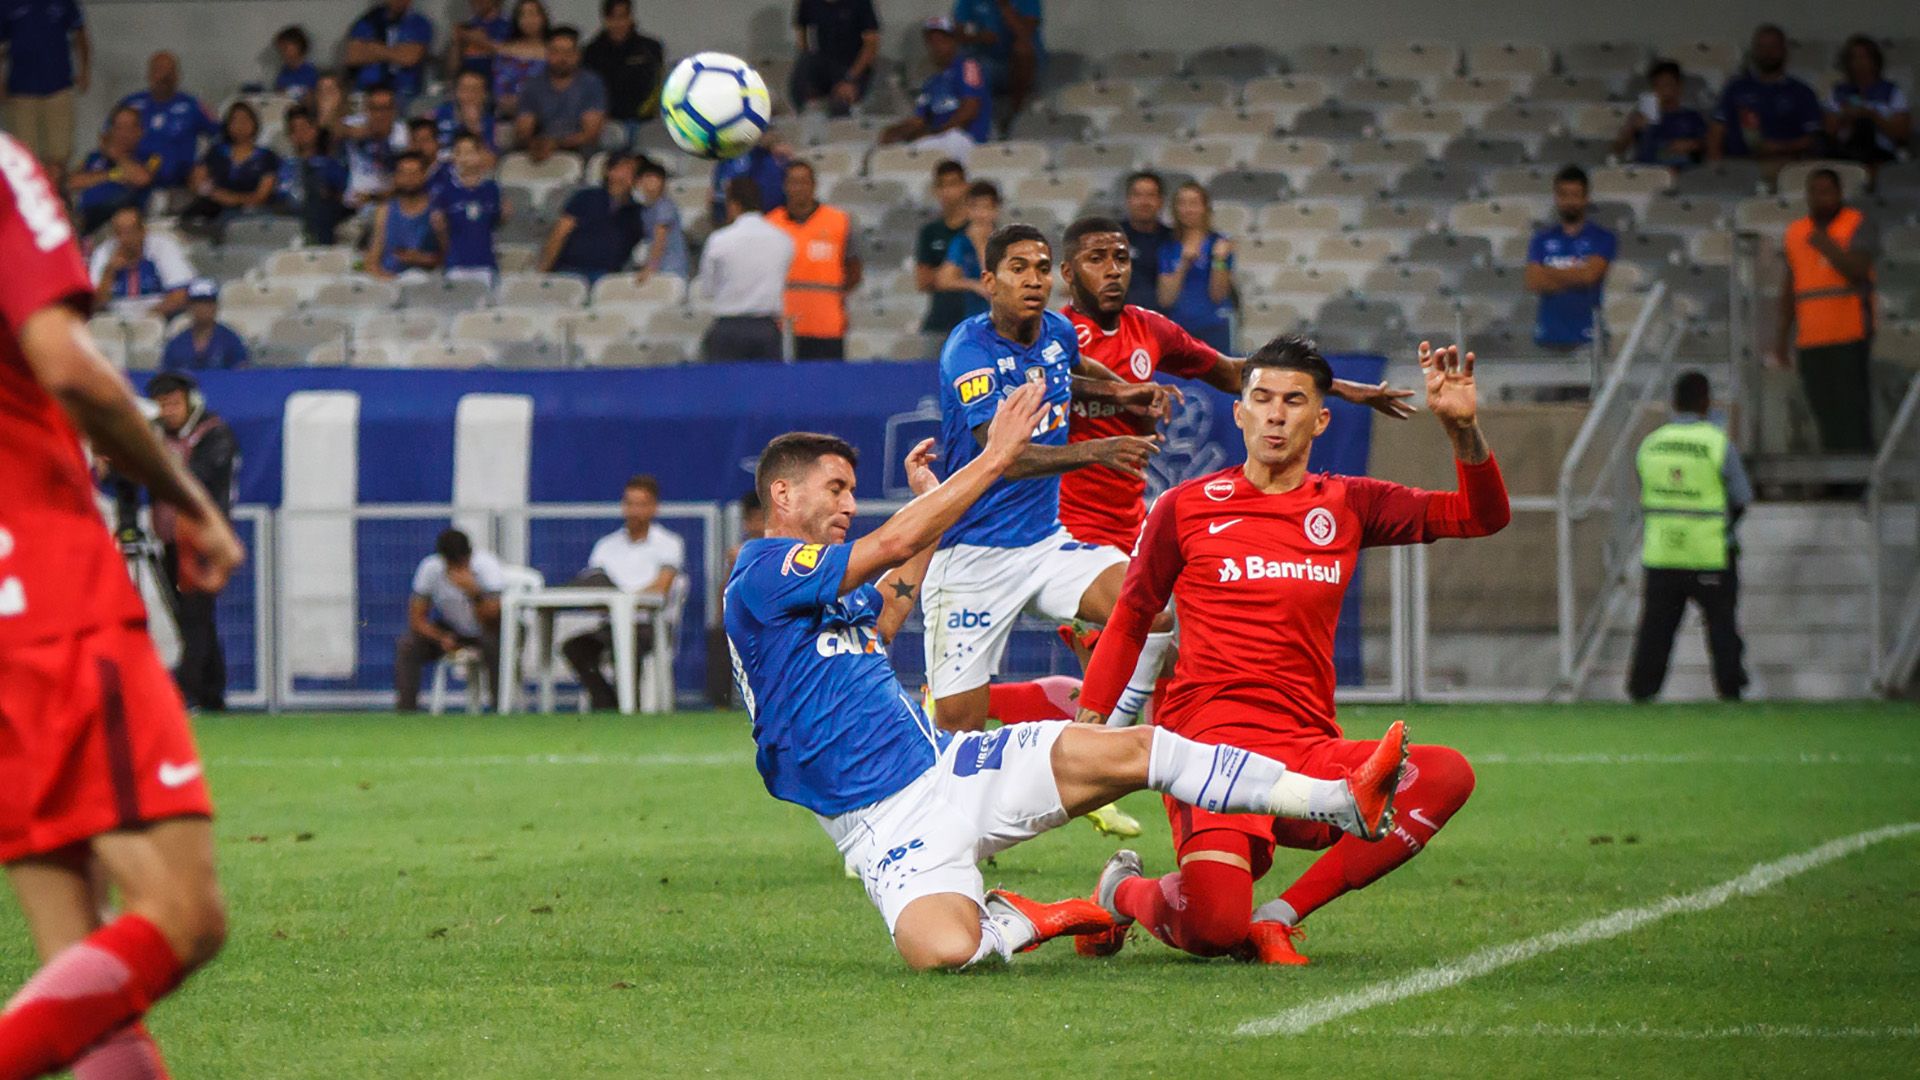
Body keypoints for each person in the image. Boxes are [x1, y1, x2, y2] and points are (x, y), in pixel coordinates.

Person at [726, 398, 1409, 970]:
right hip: (876, 830)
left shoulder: (823, 599)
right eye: (835, 487)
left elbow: (892, 601)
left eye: (851, 488)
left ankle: (1337, 799)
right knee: (946, 954)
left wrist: (935, 511)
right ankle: (1025, 919)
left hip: (950, 768)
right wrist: (992, 459)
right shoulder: (762, 573)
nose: (849, 501)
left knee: (1134, 750)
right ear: (783, 494)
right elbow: (884, 550)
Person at [1070, 336, 1508, 965]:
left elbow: (1480, 516)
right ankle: (1123, 892)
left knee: (1442, 774)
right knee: (1213, 928)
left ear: (1320, 418)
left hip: (1307, 748)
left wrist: (1464, 433)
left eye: (1294, 401)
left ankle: (1278, 915)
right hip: (1210, 752)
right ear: (1239, 412)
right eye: (1262, 398)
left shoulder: (1350, 503)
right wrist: (1093, 720)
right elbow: (1134, 614)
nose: (1276, 414)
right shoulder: (1184, 507)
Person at [0, 131, 242, 1080]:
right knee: (184, 916)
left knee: (82, 974)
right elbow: (63, 360)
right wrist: (193, 505)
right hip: (43, 593)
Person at [1053, 216, 1415, 722]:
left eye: (1121, 258)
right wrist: (1116, 391)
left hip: (1128, 521)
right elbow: (1035, 383)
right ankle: (1099, 742)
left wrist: (1340, 387)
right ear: (1068, 273)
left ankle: (1142, 754)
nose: (1113, 270)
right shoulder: (1054, 337)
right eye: (1097, 260)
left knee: (1169, 660)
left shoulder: (1148, 328)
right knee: (1150, 624)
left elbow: (1228, 371)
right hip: (1066, 525)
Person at [1627, 372, 1751, 703]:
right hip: (1709, 552)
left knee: (1655, 630)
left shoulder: (1651, 443)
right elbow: (1741, 497)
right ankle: (1730, 690)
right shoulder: (1717, 443)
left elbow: (1644, 490)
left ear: (1674, 401)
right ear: (1705, 401)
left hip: (1662, 552)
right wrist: (1723, 529)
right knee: (1722, 627)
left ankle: (1641, 693)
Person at [144, 371, 238, 712]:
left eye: (174, 403)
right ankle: (212, 694)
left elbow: (199, 479)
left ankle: (187, 689)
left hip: (201, 540)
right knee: (187, 616)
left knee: (196, 614)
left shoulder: (213, 434)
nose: (168, 411)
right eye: (162, 405)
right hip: (169, 538)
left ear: (190, 403)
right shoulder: (154, 437)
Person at [1776, 167, 1878, 455]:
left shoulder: (1857, 223)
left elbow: (1858, 269)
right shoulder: (1796, 231)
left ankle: (1857, 483)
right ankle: (1835, 479)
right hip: (1810, 337)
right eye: (1813, 192)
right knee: (1823, 411)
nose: (1819, 198)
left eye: (1825, 192)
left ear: (1839, 194)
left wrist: (1826, 245)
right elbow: (1790, 286)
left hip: (1850, 333)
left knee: (1852, 412)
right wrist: (1782, 337)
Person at [563, 476, 683, 711]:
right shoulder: (606, 546)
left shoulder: (669, 543)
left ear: (654, 507)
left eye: (641, 504)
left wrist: (623, 600)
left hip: (649, 626)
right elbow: (592, 590)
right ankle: (608, 703)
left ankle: (631, 708)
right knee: (574, 648)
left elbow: (662, 587)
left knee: (629, 644)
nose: (634, 510)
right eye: (629, 503)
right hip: (610, 625)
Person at [395, 528, 506, 712]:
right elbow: (416, 619)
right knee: (408, 645)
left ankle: (500, 708)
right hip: (453, 630)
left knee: (494, 645)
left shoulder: (486, 567)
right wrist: (440, 637)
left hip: (489, 629)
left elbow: (494, 618)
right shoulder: (430, 569)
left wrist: (474, 593)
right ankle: (406, 711)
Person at [767, 160, 861, 361]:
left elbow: (854, 269)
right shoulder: (771, 224)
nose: (799, 188)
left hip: (827, 326)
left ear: (814, 185)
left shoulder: (839, 221)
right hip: (783, 326)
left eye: (804, 182)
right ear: (785, 186)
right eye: (793, 182)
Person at [698, 177, 794, 361]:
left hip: (728, 329)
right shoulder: (783, 239)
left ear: (733, 205)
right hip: (766, 328)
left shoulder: (719, 240)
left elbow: (708, 288)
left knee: (726, 388)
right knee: (765, 387)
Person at [1524, 164, 1615, 350]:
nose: (1569, 202)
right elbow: (1534, 282)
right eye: (1564, 195)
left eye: (1575, 195)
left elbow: (1590, 276)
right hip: (1548, 337)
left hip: (1587, 338)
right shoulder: (1541, 239)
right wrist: (1576, 274)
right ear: (1556, 198)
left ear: (1586, 197)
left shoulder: (1602, 237)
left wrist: (1548, 271)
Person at [1707, 24, 1823, 168]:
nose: (1767, 52)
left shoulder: (1802, 92)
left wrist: (1780, 147)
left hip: (1783, 164)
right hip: (1739, 165)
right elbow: (1716, 130)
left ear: (1784, 50)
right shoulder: (1736, 88)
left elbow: (1813, 138)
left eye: (1773, 46)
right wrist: (1715, 168)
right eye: (1762, 47)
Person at [878, 17, 990, 163]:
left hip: (966, 138)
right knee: (897, 155)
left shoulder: (968, 67)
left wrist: (936, 133)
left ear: (953, 42)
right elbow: (920, 119)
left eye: (942, 40)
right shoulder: (931, 82)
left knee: (941, 144)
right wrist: (896, 130)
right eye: (932, 42)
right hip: (939, 140)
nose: (937, 47)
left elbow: (969, 109)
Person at [0, 0, 89, 178]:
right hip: (21, 92)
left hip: (58, 88)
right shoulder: (7, 4)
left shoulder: (64, 3)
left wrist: (84, 71)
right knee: (24, 155)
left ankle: (58, 200)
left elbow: (81, 34)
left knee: (60, 153)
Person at [115, 51, 218, 190]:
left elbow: (220, 135)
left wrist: (204, 165)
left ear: (177, 75)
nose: (164, 76)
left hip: (181, 184)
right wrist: (124, 161)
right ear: (149, 74)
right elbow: (106, 138)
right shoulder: (131, 103)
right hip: (134, 182)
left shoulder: (193, 106)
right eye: (159, 70)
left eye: (169, 72)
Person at [1156, 181, 1236, 353]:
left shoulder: (1220, 243)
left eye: (1193, 203)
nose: (1187, 209)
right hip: (1180, 329)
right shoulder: (1168, 246)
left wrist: (1218, 261)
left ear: (1205, 208)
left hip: (1215, 328)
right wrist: (1184, 264)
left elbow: (1218, 295)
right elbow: (1165, 299)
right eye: (1182, 203)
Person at [180, 102, 281, 237]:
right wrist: (214, 194)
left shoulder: (267, 156)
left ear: (254, 123)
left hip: (252, 212)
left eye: (245, 120)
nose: (240, 125)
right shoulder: (216, 152)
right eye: (235, 120)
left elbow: (262, 194)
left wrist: (233, 199)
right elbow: (197, 180)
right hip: (216, 209)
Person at [540, 152, 644, 281]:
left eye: (631, 171)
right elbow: (559, 233)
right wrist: (544, 271)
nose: (625, 174)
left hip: (608, 276)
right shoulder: (585, 197)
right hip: (569, 270)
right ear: (609, 171)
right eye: (621, 168)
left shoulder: (637, 210)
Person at [514, 26, 607, 163]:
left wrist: (556, 145)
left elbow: (591, 133)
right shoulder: (532, 85)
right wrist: (537, 144)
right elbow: (524, 129)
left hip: (580, 153)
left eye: (568, 52)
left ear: (577, 55)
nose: (562, 58)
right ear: (548, 54)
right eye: (556, 52)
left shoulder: (592, 83)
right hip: (539, 151)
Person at [584, 0, 665, 151]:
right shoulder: (592, 51)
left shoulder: (650, 48)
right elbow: (588, 90)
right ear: (605, 20)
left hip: (642, 121)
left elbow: (656, 86)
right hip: (605, 122)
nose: (618, 23)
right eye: (613, 18)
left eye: (622, 17)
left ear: (631, 17)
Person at [69, 104, 160, 236]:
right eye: (118, 127)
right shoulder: (95, 157)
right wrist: (112, 174)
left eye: (129, 128)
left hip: (124, 224)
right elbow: (70, 182)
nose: (123, 133)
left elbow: (142, 178)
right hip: (86, 220)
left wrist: (117, 156)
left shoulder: (151, 157)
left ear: (139, 131)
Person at [89, 204, 194, 319]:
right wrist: (109, 273)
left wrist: (147, 318)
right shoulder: (104, 252)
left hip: (158, 318)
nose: (124, 239)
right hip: (114, 320)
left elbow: (180, 295)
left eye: (129, 232)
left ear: (142, 231)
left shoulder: (163, 246)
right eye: (119, 233)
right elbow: (92, 305)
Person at [1826, 35, 1912, 168]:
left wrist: (1873, 116)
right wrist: (1845, 116)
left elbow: (1902, 133)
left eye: (1864, 57)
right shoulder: (1838, 92)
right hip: (1844, 152)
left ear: (1875, 60)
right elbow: (1828, 131)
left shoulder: (1891, 91)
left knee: (1865, 124)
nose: (1860, 63)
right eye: (1854, 58)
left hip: (1880, 153)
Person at [951, 0, 1042, 123]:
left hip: (1016, 66)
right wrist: (980, 37)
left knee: (1023, 50)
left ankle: (1016, 114)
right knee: (967, 62)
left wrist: (1004, 6)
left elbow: (1025, 34)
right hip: (985, 61)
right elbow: (957, 32)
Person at [432, 132, 505, 284]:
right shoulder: (445, 191)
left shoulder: (492, 189)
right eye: (459, 153)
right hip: (456, 265)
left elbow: (495, 224)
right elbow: (442, 231)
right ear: (453, 157)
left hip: (485, 264)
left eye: (470, 152)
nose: (465, 158)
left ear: (480, 154)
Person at [274, 105, 350, 244]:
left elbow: (343, 196)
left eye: (304, 127)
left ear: (315, 130)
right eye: (294, 129)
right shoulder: (283, 165)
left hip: (320, 217)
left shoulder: (329, 164)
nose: (300, 133)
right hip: (288, 217)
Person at [790, 0, 880, 117]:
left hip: (852, 65)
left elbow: (871, 45)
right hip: (825, 62)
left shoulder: (861, 3)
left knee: (840, 105)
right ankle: (803, 113)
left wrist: (850, 79)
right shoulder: (808, 2)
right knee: (803, 66)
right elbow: (801, 32)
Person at [1614, 60, 1708, 169]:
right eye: (1658, 85)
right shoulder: (1641, 116)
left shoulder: (1692, 116)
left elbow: (1708, 144)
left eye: (1667, 84)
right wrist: (1631, 128)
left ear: (1679, 86)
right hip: (1648, 172)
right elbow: (1618, 149)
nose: (1663, 90)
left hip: (1682, 171)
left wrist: (1692, 144)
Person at [915, 159, 972, 334]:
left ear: (965, 186)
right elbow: (923, 281)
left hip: (972, 318)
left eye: (953, 184)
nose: (947, 191)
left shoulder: (978, 230)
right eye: (942, 185)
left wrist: (945, 276)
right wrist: (957, 273)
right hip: (939, 320)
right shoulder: (930, 231)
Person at [366, 152, 442, 280]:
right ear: (396, 177)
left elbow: (447, 255)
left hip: (425, 283)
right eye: (403, 173)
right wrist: (384, 278)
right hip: (389, 280)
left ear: (423, 175)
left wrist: (421, 259)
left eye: (414, 173)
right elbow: (372, 258)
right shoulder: (384, 211)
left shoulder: (437, 210)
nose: (408, 179)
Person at [931, 179, 999, 321]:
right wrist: (973, 285)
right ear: (968, 210)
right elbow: (944, 280)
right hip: (973, 318)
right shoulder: (961, 243)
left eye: (986, 207)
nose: (981, 214)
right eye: (975, 208)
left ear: (995, 210)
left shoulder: (1004, 242)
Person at [345, 0, 434, 102]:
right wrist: (397, 52)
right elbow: (353, 55)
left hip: (404, 94)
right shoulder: (369, 20)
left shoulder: (420, 24)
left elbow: (410, 58)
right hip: (366, 92)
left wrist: (372, 48)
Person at [340, 84, 406, 211]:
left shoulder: (403, 134)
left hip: (388, 207)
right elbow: (330, 128)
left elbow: (406, 181)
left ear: (394, 110)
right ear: (367, 110)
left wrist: (371, 197)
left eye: (385, 108)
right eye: (375, 109)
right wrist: (365, 131)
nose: (380, 115)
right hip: (353, 206)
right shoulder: (355, 125)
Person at [161, 279, 249, 371]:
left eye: (208, 303)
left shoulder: (231, 340)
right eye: (198, 303)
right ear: (189, 307)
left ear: (216, 306)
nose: (203, 308)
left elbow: (240, 373)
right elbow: (167, 376)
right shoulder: (177, 343)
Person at [708, 128, 790, 226]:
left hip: (778, 221)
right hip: (740, 224)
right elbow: (719, 194)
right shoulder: (732, 160)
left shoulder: (779, 159)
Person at [1121, 171, 1173, 312]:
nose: (1144, 202)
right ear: (1128, 200)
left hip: (1163, 323)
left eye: (1151, 195)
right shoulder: (1110, 237)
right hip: (1121, 324)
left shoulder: (1173, 239)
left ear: (1161, 201)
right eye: (1137, 195)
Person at [493, 0, 553, 115]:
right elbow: (498, 89)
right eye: (523, 15)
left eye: (532, 14)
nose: (528, 20)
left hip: (545, 116)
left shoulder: (553, 52)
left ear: (543, 17)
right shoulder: (505, 51)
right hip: (508, 115)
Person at [634, 156, 688, 280]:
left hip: (672, 268)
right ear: (640, 181)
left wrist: (650, 268)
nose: (652, 182)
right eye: (648, 177)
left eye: (656, 178)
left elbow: (660, 238)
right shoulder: (645, 209)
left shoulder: (665, 206)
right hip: (658, 268)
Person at [434, 69, 501, 153]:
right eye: (464, 88)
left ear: (485, 94)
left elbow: (490, 156)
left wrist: (474, 126)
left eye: (475, 89)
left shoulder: (493, 122)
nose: (469, 94)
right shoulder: (438, 114)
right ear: (456, 92)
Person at [449, 0, 513, 84]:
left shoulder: (509, 27)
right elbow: (451, 71)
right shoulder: (466, 27)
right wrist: (456, 44)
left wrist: (484, 42)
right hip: (468, 90)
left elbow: (513, 63)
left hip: (496, 89)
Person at [272, 25, 318, 100]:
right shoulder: (283, 73)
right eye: (280, 48)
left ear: (298, 46)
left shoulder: (311, 73)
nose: (282, 52)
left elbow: (312, 100)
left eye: (285, 47)